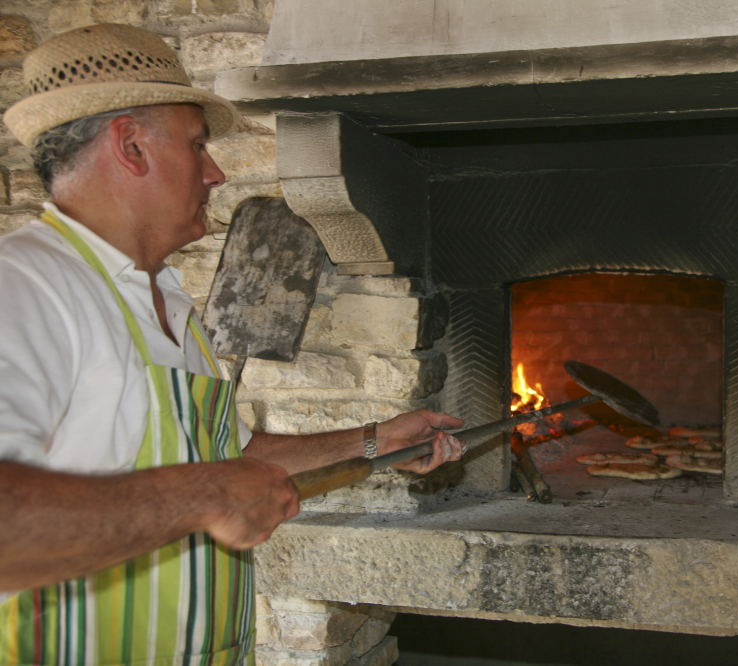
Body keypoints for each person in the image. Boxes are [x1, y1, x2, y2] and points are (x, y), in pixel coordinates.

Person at [0, 23, 465, 665]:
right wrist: (206, 495)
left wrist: (374, 440)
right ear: (130, 145)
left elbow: (231, 457)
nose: (215, 173)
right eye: (197, 145)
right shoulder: (24, 286)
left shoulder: (167, 299)